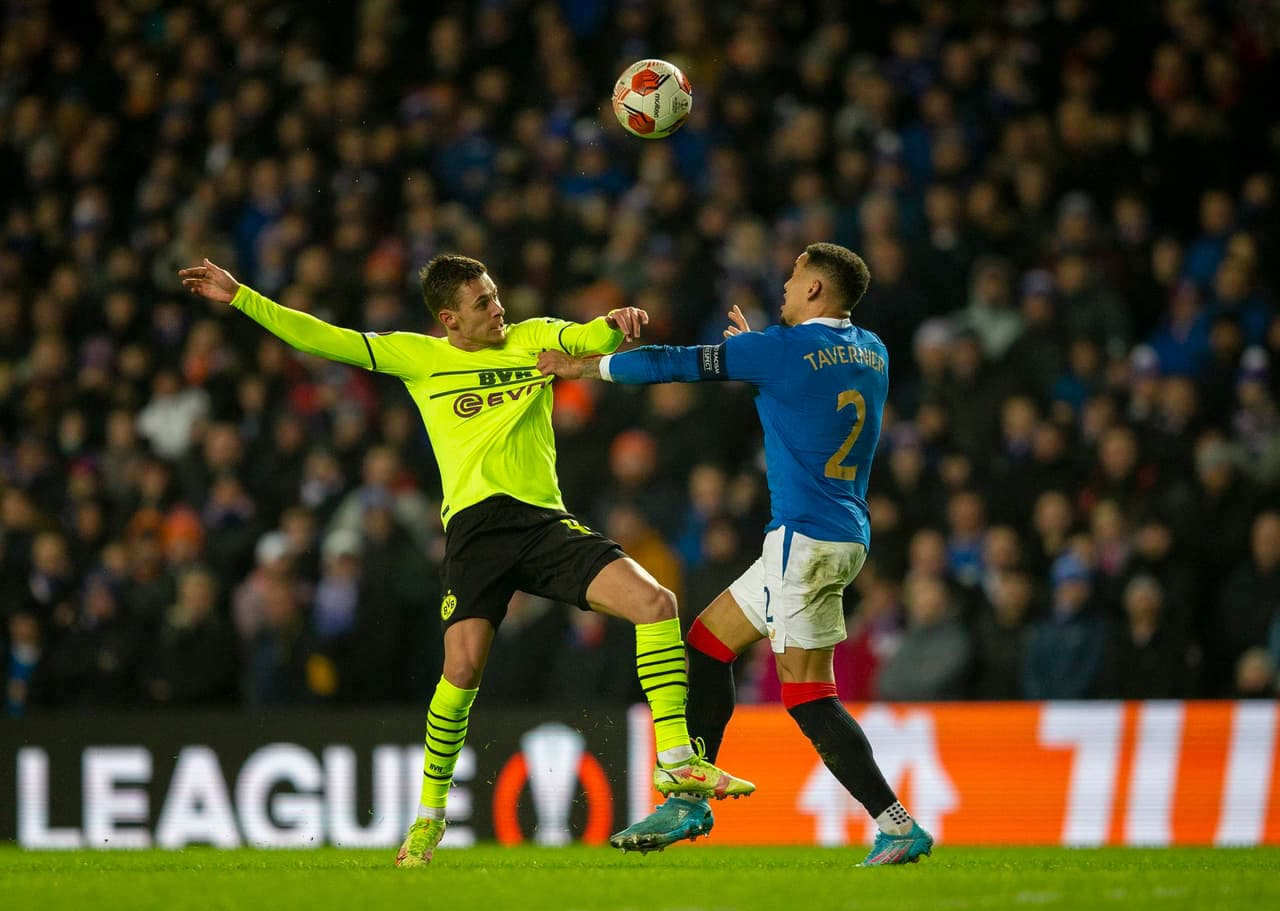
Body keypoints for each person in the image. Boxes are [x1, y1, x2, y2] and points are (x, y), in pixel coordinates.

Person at [179, 255, 753, 868]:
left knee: (656, 602)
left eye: (496, 295)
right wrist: (242, 297)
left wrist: (613, 324)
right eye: (483, 303)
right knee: (462, 669)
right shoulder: (418, 357)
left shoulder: (531, 337)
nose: (498, 309)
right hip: (476, 534)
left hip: (544, 523)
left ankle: (676, 761)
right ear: (449, 319)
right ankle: (429, 818)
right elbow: (323, 338)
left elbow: (585, 338)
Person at [537, 242, 932, 866]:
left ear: (814, 290)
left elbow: (671, 363)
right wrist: (754, 353)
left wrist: (586, 369)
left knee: (808, 696)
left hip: (803, 541)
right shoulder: (873, 350)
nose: (785, 286)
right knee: (707, 643)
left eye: (794, 277)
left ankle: (896, 823)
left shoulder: (779, 349)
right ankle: (689, 800)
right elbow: (807, 388)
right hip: (842, 533)